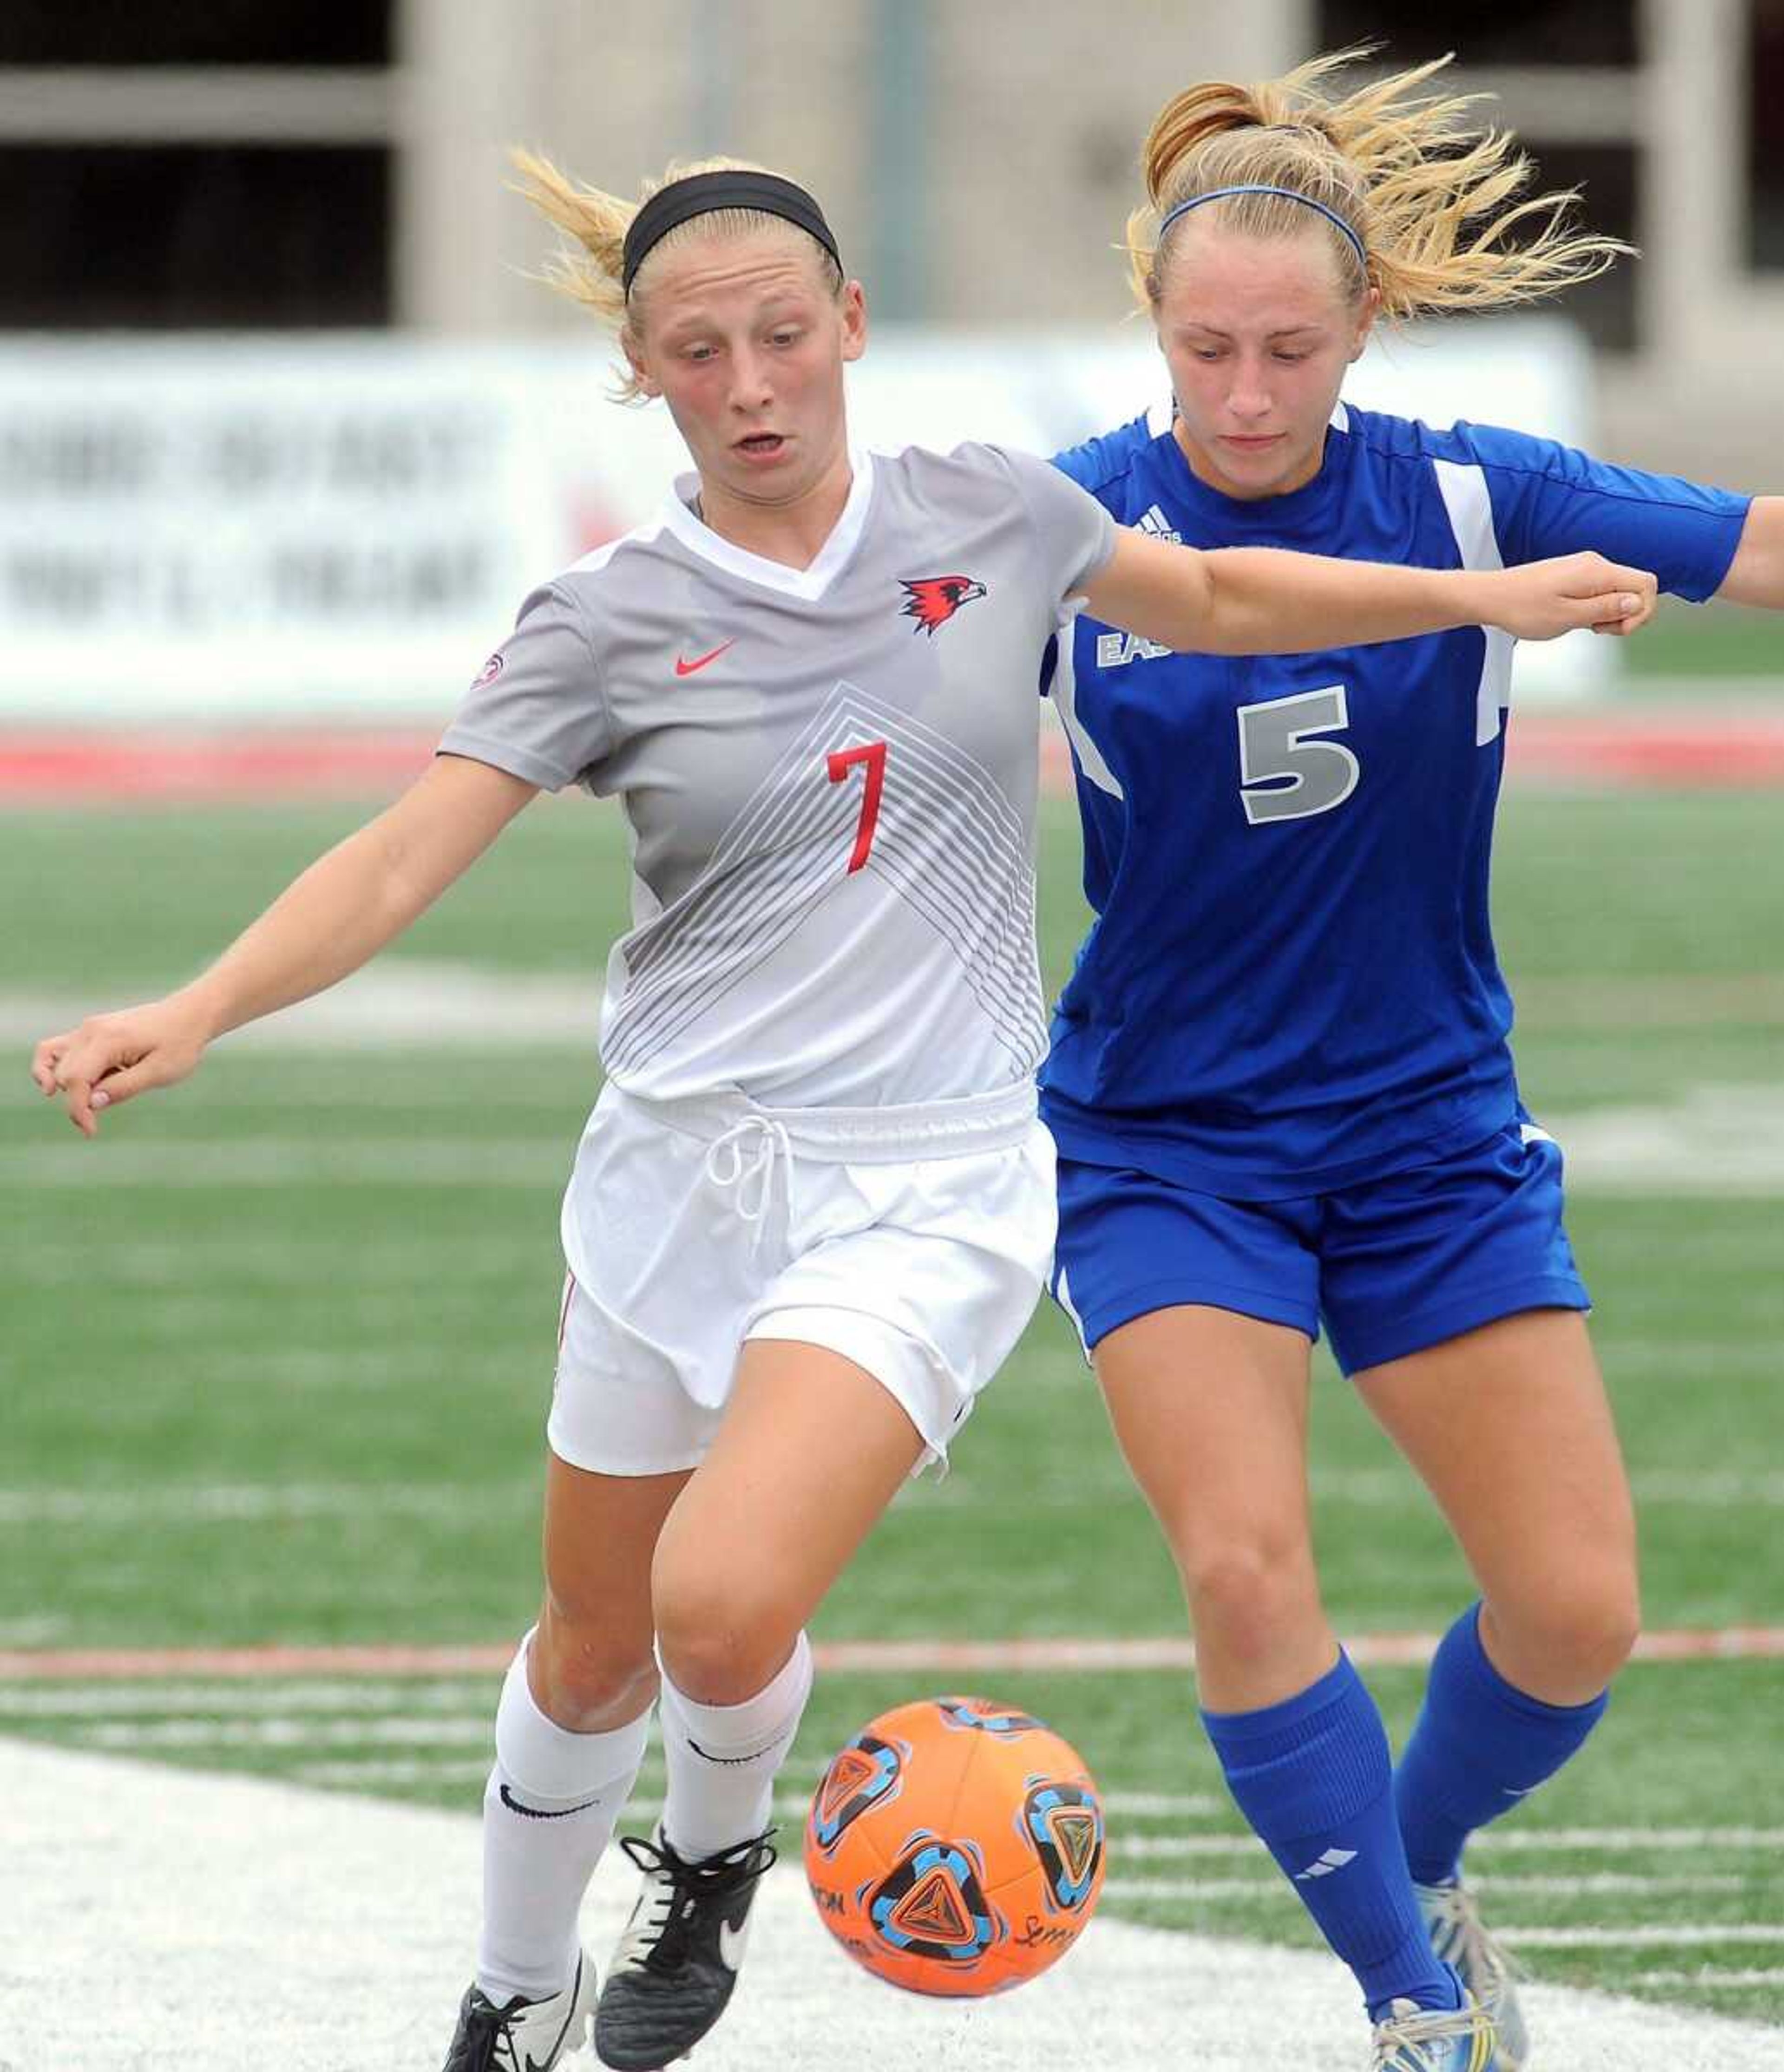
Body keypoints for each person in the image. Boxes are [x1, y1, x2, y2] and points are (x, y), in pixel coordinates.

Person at [32, 150, 1654, 2072]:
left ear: (850, 330)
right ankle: (509, 1991)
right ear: (645, 376)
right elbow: (401, 860)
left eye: (784, 335)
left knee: (714, 1605)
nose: (752, 381)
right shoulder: (605, 621)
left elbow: (1218, 592)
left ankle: (714, 1858)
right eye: (699, 351)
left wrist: (1481, 592)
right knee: (587, 1638)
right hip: (670, 1179)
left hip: (927, 1187)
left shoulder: (988, 509)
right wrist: (202, 1004)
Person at [1042, 46, 1780, 2072]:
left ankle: (1413, 1861)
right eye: (1211, 350)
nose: (1250, 393)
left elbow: (1761, 545)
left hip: (1428, 1133)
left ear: (1367, 325)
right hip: (1165, 1144)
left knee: (1576, 1616)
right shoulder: (1076, 519)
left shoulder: (1466, 481)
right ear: (1158, 334)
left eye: (1293, 348)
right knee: (1244, 1558)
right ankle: (1410, 2000)